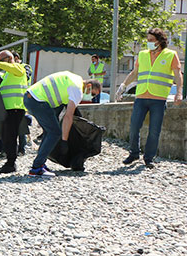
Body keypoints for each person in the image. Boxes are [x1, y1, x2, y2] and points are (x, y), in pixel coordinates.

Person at [117, 28, 183, 169]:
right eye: (147, 40)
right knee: (134, 127)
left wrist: (179, 92)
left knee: (154, 130)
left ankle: (149, 158)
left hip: (159, 99)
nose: (149, 43)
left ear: (160, 41)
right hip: (141, 97)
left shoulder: (171, 54)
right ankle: (134, 153)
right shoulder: (142, 55)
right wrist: (123, 86)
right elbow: (135, 73)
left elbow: (178, 75)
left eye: (151, 40)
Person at [24, 71, 101, 177]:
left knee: (49, 132)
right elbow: (68, 117)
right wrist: (64, 141)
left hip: (30, 97)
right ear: (88, 85)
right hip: (37, 100)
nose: (91, 97)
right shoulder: (77, 90)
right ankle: (36, 168)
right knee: (54, 133)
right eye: (92, 93)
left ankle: (40, 163)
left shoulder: (75, 78)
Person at [0, 51, 28, 173]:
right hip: (9, 109)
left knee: (11, 137)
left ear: (9, 59)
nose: (0, 63)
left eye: (2, 60)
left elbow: (10, 67)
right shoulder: (8, 74)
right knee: (7, 136)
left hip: (15, 108)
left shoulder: (19, 68)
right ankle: (9, 162)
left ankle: (11, 163)